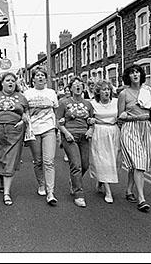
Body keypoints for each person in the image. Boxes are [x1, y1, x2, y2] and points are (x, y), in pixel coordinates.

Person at [0, 72, 29, 206]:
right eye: (8, 80)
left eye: (13, 81)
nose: (11, 83)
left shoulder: (21, 97)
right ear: (2, 83)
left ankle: (7, 193)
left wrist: (23, 121)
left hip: (15, 131)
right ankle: (3, 181)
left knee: (10, 160)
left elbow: (26, 112)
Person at [118, 64, 151, 212]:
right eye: (132, 73)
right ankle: (141, 198)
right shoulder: (124, 94)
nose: (135, 75)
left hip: (145, 128)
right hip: (130, 129)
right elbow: (120, 117)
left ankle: (129, 190)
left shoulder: (147, 91)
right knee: (139, 161)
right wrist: (135, 116)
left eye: (137, 73)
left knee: (137, 163)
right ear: (128, 76)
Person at [23, 66, 59, 206]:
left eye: (42, 75)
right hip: (33, 130)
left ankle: (51, 192)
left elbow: (56, 110)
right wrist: (25, 117)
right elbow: (24, 110)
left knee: (49, 161)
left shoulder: (51, 93)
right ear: (33, 79)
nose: (40, 77)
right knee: (38, 161)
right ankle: (41, 184)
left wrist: (57, 129)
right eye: (37, 75)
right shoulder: (28, 93)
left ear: (46, 78)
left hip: (48, 128)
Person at [56, 76, 94, 208]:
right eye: (75, 84)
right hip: (70, 136)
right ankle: (78, 194)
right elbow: (58, 121)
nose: (78, 86)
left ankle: (74, 181)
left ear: (83, 88)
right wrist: (66, 133)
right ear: (70, 88)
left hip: (84, 137)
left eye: (80, 84)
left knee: (85, 165)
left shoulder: (88, 104)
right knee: (76, 165)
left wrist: (90, 130)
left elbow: (92, 120)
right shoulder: (63, 103)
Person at [88, 79, 121, 204]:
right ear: (98, 92)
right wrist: (90, 121)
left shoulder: (116, 102)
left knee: (114, 160)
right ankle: (108, 191)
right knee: (103, 159)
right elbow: (88, 117)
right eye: (103, 90)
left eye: (108, 89)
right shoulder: (93, 104)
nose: (106, 92)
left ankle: (101, 180)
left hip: (114, 131)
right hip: (99, 132)